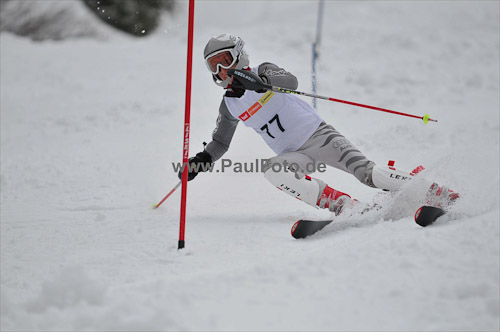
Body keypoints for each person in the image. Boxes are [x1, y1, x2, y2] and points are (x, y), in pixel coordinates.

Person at [179, 33, 458, 215]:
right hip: (294, 154)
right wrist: (201, 160)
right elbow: (220, 142)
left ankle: (437, 191)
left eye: (224, 61)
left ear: (238, 55)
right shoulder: (229, 104)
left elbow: (290, 82)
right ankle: (345, 207)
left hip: (321, 137)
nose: (220, 70)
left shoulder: (262, 70)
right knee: (273, 171)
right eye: (213, 65)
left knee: (368, 175)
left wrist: (258, 84)